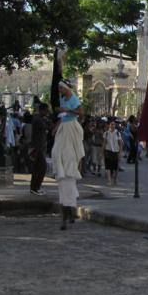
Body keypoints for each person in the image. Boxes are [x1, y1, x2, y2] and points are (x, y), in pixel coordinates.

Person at [52, 79, 84, 231]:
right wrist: (56, 127)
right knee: (57, 153)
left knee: (70, 160)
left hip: (72, 128)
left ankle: (68, 215)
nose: (59, 90)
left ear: (65, 88)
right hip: (63, 127)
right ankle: (69, 213)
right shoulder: (62, 99)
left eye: (60, 88)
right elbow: (61, 117)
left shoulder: (73, 99)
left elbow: (80, 112)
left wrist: (67, 111)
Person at [29, 103, 50, 196]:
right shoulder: (38, 120)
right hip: (37, 147)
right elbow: (46, 127)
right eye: (46, 110)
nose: (47, 112)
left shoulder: (40, 119)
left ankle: (35, 187)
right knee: (42, 167)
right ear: (42, 110)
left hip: (40, 147)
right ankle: (35, 187)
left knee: (38, 167)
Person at [103, 119, 123, 185]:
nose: (113, 125)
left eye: (114, 124)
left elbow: (120, 143)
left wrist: (120, 152)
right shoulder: (106, 133)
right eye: (111, 124)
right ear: (109, 125)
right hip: (108, 151)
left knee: (116, 167)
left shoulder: (118, 133)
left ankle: (115, 179)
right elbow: (104, 143)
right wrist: (102, 152)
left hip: (116, 151)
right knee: (108, 166)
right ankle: (109, 180)